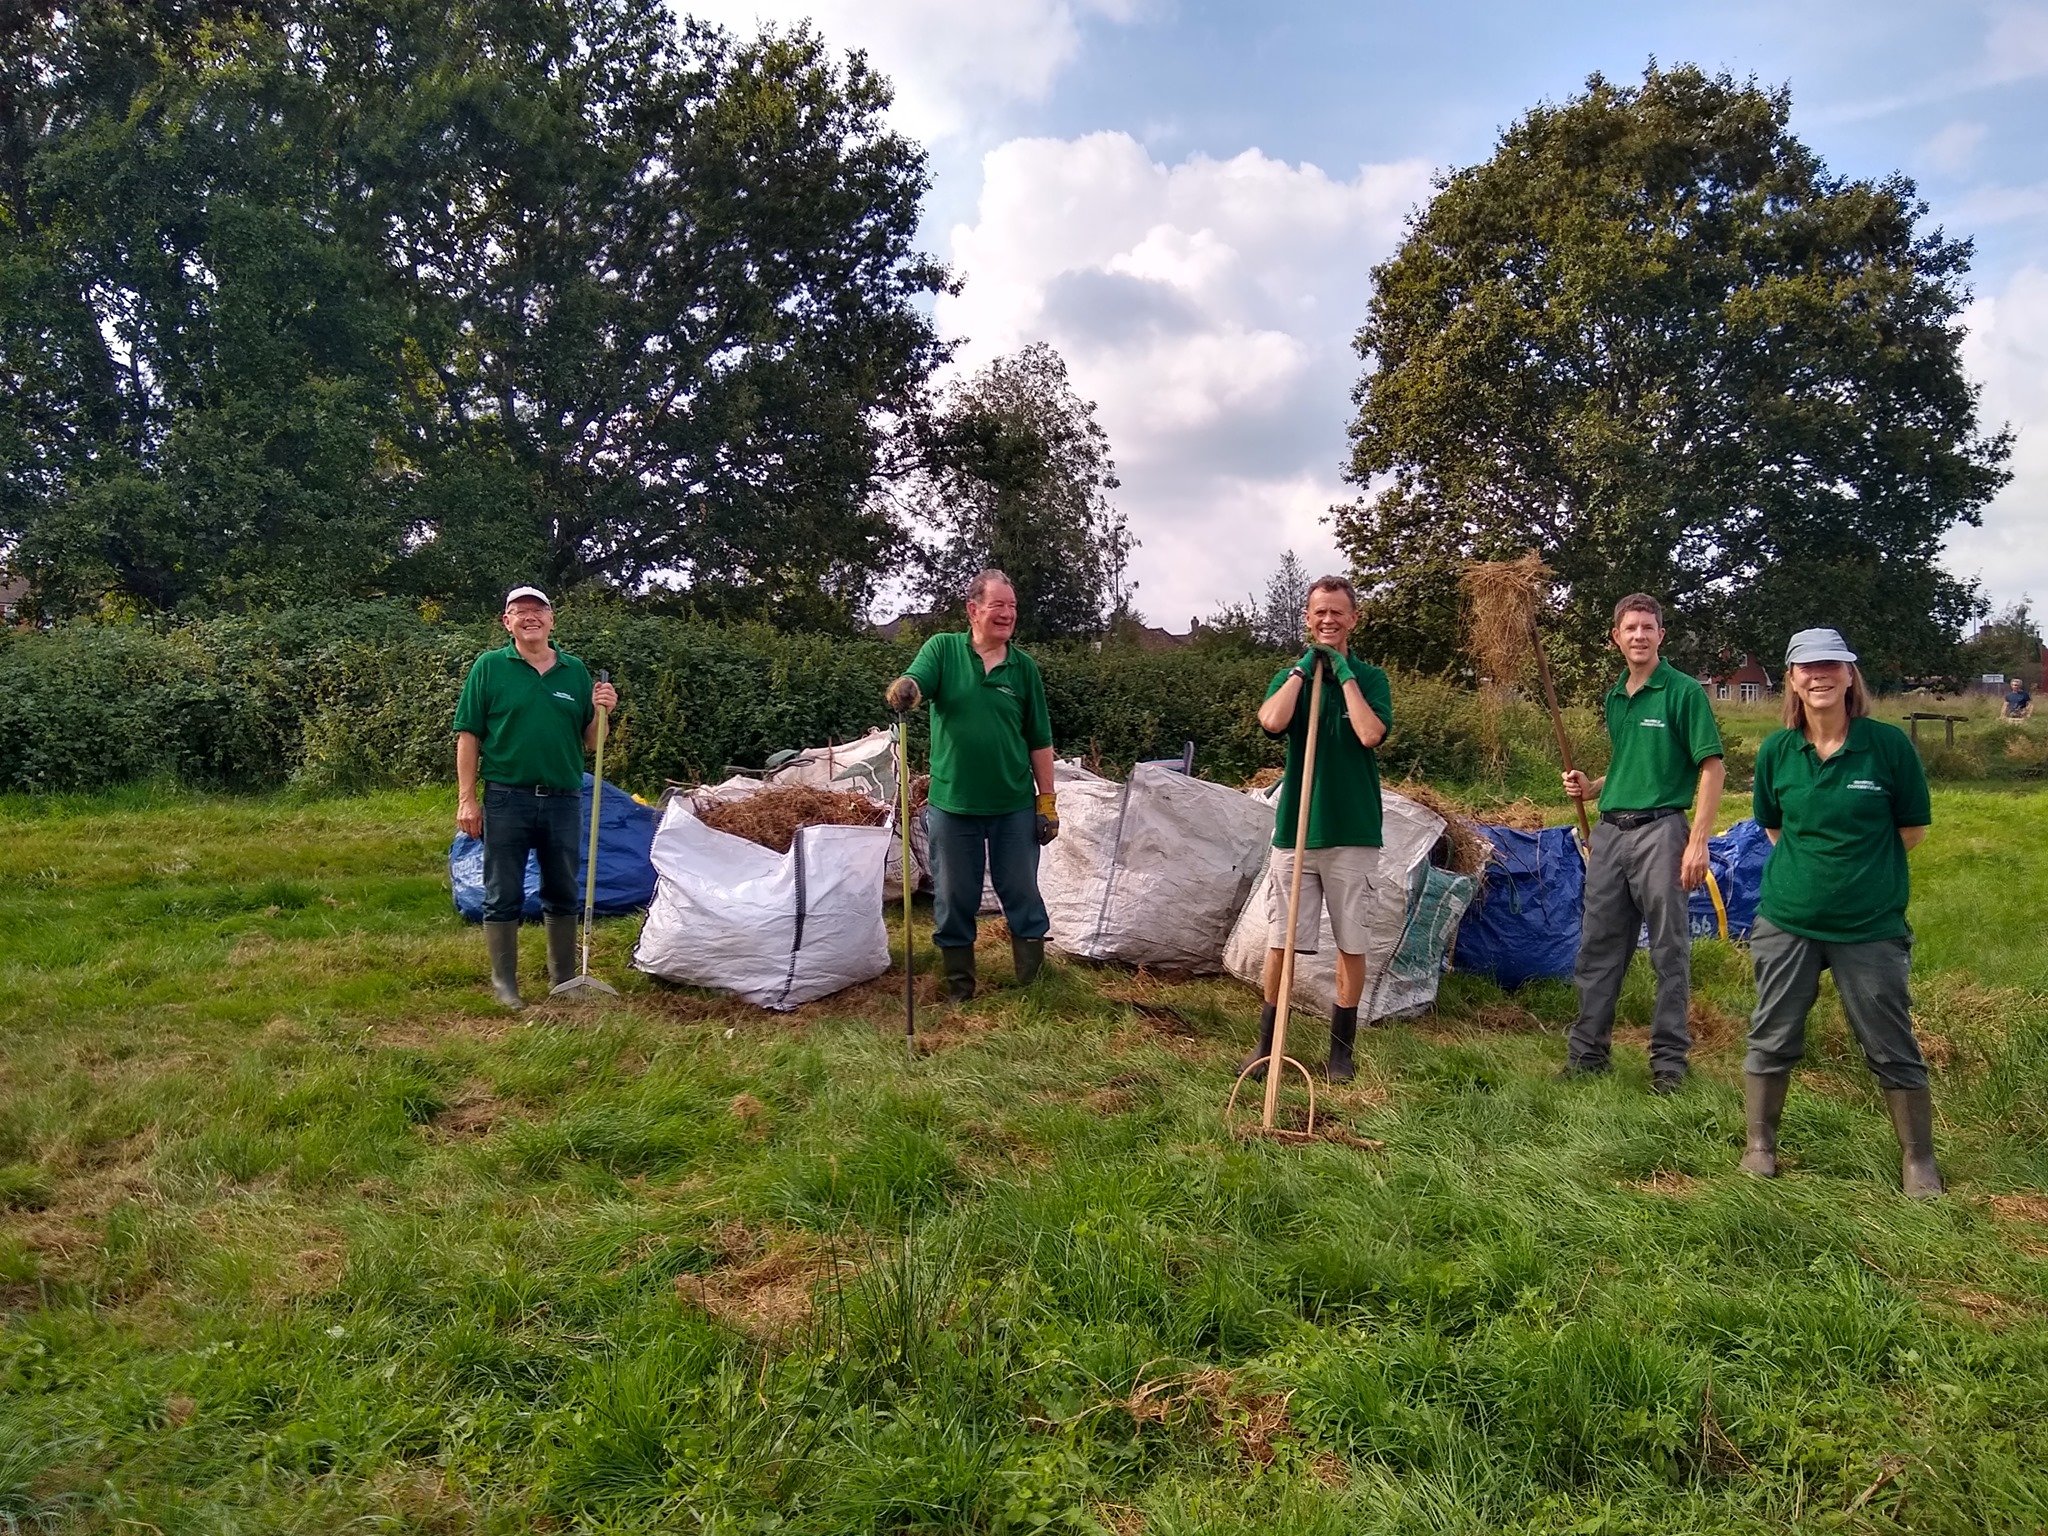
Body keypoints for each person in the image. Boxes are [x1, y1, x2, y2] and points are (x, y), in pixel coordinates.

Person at [1740, 628, 1941, 1197]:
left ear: (1850, 676)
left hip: (1869, 925)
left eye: (1832, 664)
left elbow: (1912, 830)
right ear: (1792, 680)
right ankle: (1759, 1146)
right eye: (1807, 667)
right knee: (1772, 1033)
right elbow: (1775, 827)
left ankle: (1918, 1159)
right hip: (1787, 919)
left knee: (1889, 1041)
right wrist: (1814, 875)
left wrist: (1858, 875)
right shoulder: (1778, 750)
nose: (1819, 674)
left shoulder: (1887, 746)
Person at [1561, 594, 1725, 1093]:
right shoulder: (1616, 696)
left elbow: (1711, 766)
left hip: (1662, 832)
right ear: (1616, 637)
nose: (1639, 635)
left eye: (1648, 627)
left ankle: (1669, 1064)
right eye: (1630, 628)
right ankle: (1588, 1057)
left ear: (1661, 635)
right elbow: (1636, 762)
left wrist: (1698, 841)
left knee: (1669, 949)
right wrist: (1593, 789)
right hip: (1611, 832)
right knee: (1598, 948)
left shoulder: (1681, 692)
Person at [1242, 575, 1393, 1084]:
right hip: (1296, 834)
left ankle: (1341, 1052)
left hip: (1352, 832)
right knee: (1281, 941)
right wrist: (1304, 672)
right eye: (1319, 613)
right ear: (1307, 619)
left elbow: (1370, 734)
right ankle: (1267, 1046)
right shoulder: (1292, 677)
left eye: (1337, 613)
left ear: (1353, 619)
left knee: (1351, 941)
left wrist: (1344, 675)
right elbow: (1270, 721)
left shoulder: (1370, 679)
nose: (1328, 620)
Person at [884, 569, 1056, 1002]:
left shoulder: (1023, 668)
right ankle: (960, 987)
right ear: (973, 610)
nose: (1007, 614)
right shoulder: (943, 649)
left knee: (1020, 890)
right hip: (953, 805)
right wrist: (905, 690)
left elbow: (1039, 740)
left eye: (1013, 607)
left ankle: (1034, 987)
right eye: (998, 605)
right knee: (954, 895)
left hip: (1013, 804)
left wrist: (1047, 801)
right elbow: (917, 681)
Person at [453, 586, 618, 1007]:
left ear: (551, 620)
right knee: (502, 891)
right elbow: (468, 735)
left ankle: (564, 980)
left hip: (564, 798)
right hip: (508, 797)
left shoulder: (574, 671)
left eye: (538, 610)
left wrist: (604, 712)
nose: (530, 617)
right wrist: (467, 799)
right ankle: (505, 985)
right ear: (506, 622)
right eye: (519, 611)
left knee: (563, 888)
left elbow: (590, 743)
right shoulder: (489, 668)